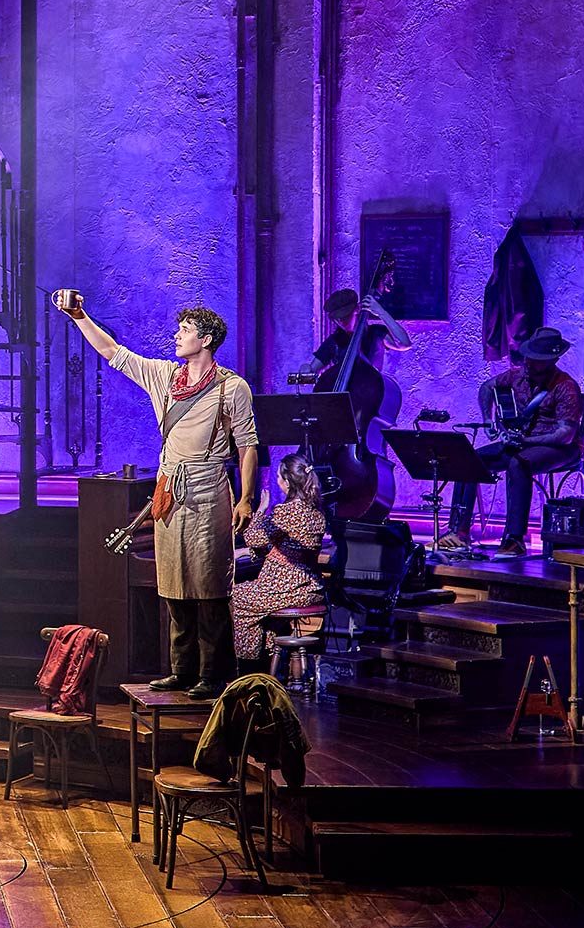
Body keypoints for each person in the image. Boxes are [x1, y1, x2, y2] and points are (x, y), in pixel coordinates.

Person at [57, 291, 260, 700]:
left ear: (206, 339)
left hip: (207, 485)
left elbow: (248, 445)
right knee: (172, 581)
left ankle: (213, 673)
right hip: (170, 487)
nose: (176, 335)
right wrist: (80, 316)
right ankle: (182, 670)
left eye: (185, 330)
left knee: (208, 584)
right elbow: (114, 352)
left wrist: (246, 498)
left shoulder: (232, 388)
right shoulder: (164, 377)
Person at [437, 327, 584, 559]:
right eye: (529, 355)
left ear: (552, 360)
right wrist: (489, 421)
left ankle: (514, 539)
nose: (528, 361)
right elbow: (487, 387)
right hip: (523, 444)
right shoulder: (516, 376)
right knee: (470, 458)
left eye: (535, 358)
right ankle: (458, 533)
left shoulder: (566, 386)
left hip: (561, 449)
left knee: (519, 464)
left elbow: (565, 435)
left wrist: (526, 440)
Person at [231, 453, 328, 672]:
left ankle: (249, 666)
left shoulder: (285, 512)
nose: (276, 481)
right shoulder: (316, 512)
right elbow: (283, 547)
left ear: (287, 482)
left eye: (278, 477)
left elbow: (254, 537)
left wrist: (261, 510)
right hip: (309, 588)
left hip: (285, 588)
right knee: (257, 608)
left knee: (233, 596)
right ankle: (265, 654)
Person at [297, 287, 412, 377]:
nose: (340, 322)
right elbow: (312, 370)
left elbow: (405, 343)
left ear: (357, 309)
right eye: (336, 319)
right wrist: (306, 369)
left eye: (344, 316)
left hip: (373, 394)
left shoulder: (376, 333)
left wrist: (381, 312)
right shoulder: (335, 341)